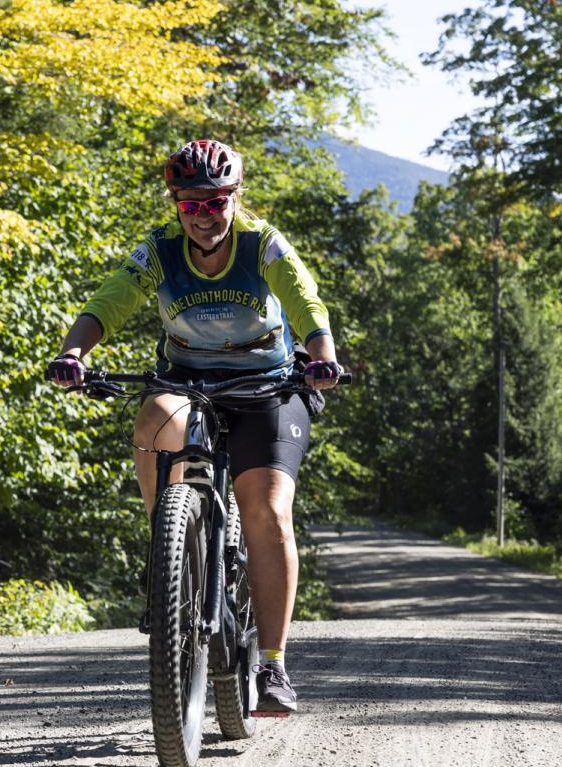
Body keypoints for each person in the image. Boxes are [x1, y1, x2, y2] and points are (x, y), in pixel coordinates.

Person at [46, 139, 342, 714]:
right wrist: (74, 354)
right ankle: (172, 552)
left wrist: (322, 355)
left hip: (267, 387)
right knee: (154, 416)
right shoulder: (159, 251)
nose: (204, 216)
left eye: (216, 202)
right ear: (175, 205)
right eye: (190, 205)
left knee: (266, 508)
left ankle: (272, 664)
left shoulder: (262, 245)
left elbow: (305, 302)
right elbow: (109, 301)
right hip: (185, 382)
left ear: (235, 198)